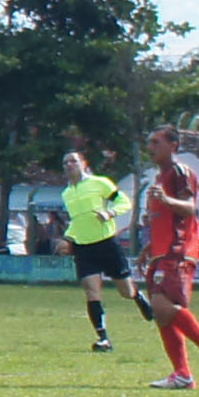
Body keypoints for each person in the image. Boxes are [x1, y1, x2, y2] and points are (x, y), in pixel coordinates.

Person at [138, 128, 199, 390]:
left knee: (162, 307)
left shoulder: (180, 172)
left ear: (174, 145)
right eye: (149, 142)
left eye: (156, 142)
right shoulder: (160, 176)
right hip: (162, 250)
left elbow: (190, 208)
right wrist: (151, 244)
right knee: (162, 313)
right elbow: (166, 217)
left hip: (178, 250)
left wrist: (166, 199)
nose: (150, 147)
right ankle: (183, 374)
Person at [57, 147, 135, 353]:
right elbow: (77, 220)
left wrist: (110, 212)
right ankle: (103, 338)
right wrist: (67, 237)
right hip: (83, 247)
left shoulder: (99, 183)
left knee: (126, 292)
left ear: (84, 163)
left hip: (106, 243)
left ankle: (141, 300)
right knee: (92, 291)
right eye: (65, 163)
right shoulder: (67, 193)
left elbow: (125, 202)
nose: (69, 165)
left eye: (73, 161)